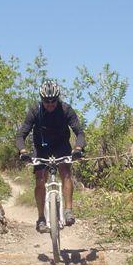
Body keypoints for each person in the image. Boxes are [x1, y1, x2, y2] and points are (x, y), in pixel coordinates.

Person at [16, 80, 85, 233]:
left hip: (62, 147)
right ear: (42, 100)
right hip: (41, 148)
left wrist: (78, 148)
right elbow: (21, 135)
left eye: (53, 101)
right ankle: (41, 218)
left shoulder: (66, 109)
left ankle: (68, 210)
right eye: (46, 101)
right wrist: (23, 152)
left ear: (58, 99)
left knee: (66, 173)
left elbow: (79, 132)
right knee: (40, 180)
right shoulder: (35, 110)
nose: (50, 104)